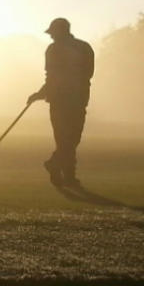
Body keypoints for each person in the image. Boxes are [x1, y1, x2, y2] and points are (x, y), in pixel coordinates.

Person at [27, 18, 94, 187]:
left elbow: (53, 77)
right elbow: (86, 74)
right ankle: (67, 176)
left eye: (52, 33)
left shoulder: (56, 49)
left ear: (60, 31)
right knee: (68, 140)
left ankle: (55, 166)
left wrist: (41, 94)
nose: (50, 37)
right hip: (73, 100)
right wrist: (40, 94)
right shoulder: (83, 47)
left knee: (69, 140)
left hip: (66, 101)